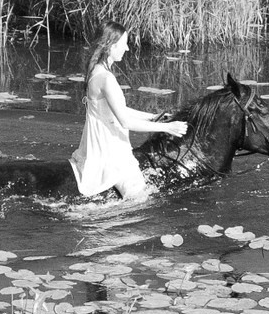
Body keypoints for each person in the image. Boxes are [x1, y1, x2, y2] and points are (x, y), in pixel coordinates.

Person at [69, 25, 185, 199]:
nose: (127, 48)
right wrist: (168, 128)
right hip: (111, 152)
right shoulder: (106, 79)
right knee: (141, 200)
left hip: (97, 146)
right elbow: (126, 122)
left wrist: (153, 117)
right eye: (124, 43)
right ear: (111, 45)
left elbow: (117, 110)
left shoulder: (95, 72)